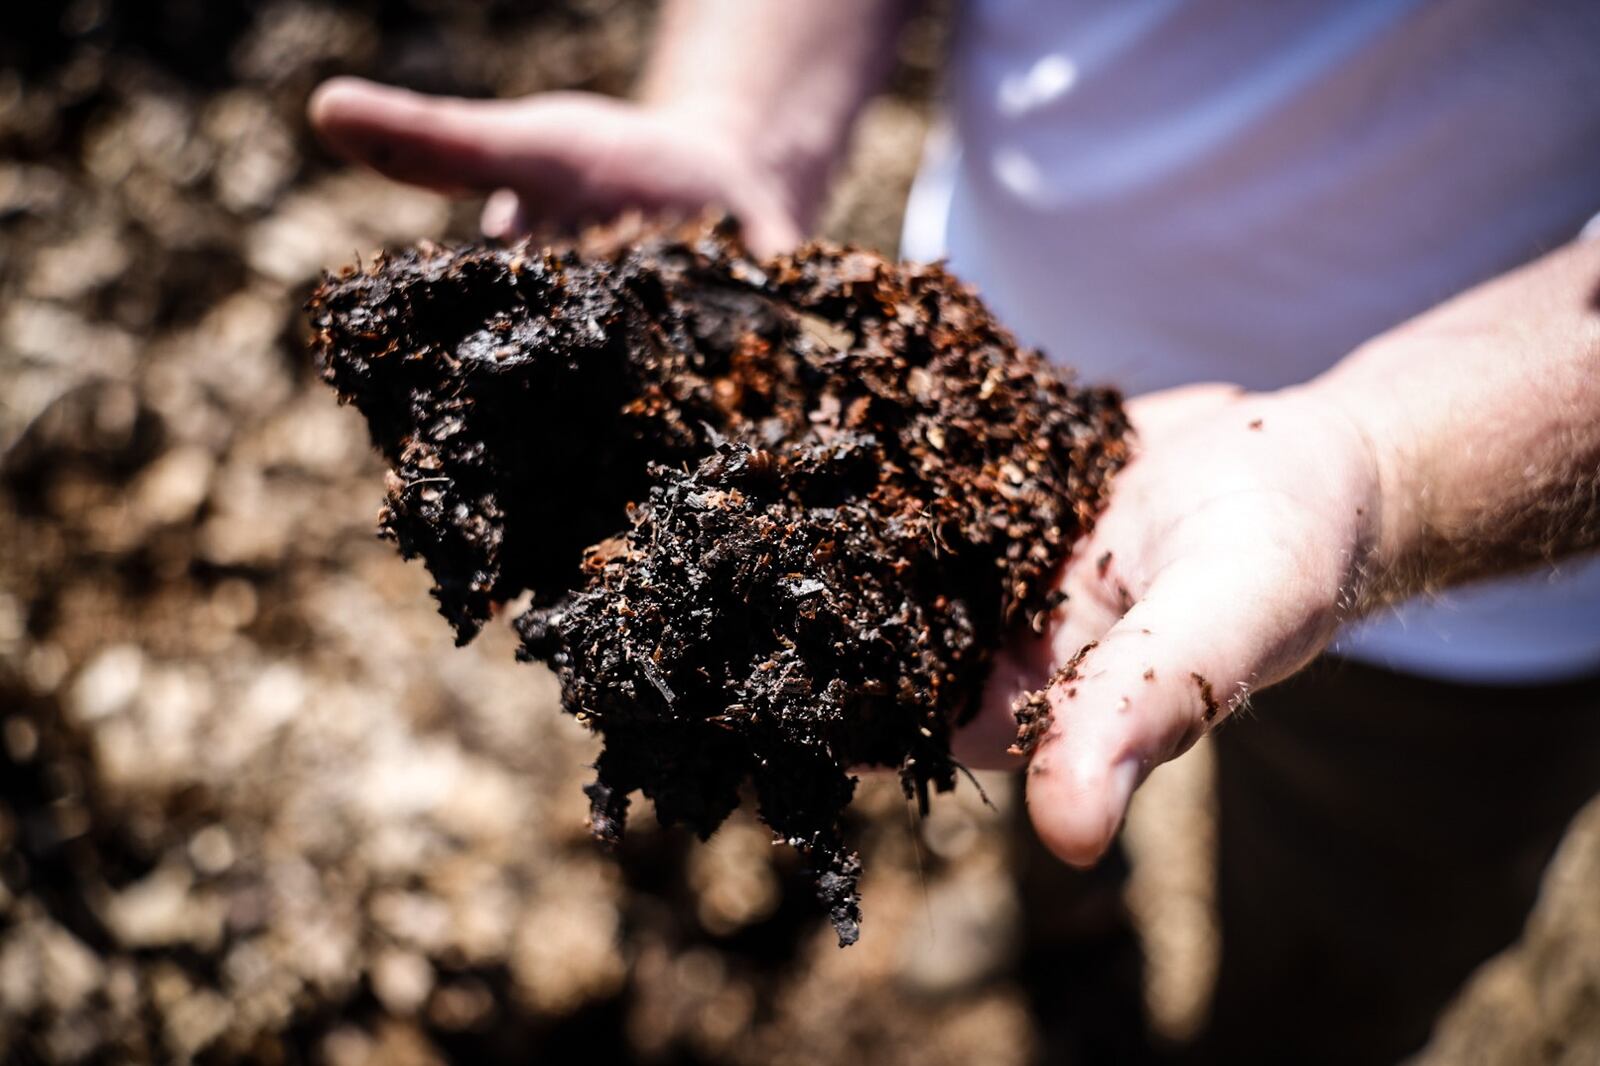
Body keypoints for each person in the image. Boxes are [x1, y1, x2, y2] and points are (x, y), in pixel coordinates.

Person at [306, 2, 1600, 1061]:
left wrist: (1380, 462)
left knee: (1337, 967)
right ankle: (1067, 938)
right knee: (1033, 749)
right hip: (1013, 418)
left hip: (1486, 558)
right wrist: (738, 123)